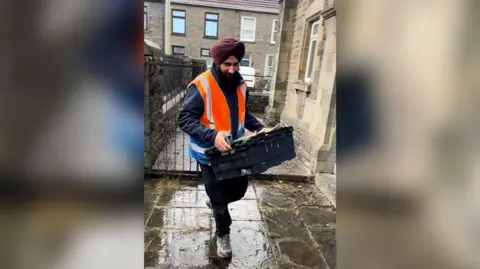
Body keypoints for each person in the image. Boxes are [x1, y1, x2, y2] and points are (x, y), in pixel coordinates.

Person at [178, 37, 265, 258]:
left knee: (238, 190)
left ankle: (216, 201)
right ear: (217, 62)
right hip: (210, 154)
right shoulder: (201, 84)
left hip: (235, 150)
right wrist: (212, 135)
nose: (232, 69)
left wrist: (261, 129)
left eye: (236, 64)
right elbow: (185, 119)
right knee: (219, 198)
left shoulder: (241, 85)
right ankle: (222, 234)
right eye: (227, 64)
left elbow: (243, 115)